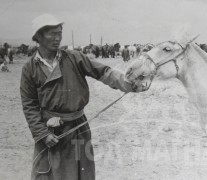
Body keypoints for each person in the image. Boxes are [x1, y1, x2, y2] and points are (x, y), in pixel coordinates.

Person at [20, 14, 145, 180]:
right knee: (50, 174)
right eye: (52, 34)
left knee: (82, 173)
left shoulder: (74, 57)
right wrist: (42, 133)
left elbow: (103, 72)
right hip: (51, 132)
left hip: (78, 127)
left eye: (60, 33)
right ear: (39, 36)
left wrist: (127, 83)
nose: (58, 38)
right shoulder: (29, 68)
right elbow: (29, 105)